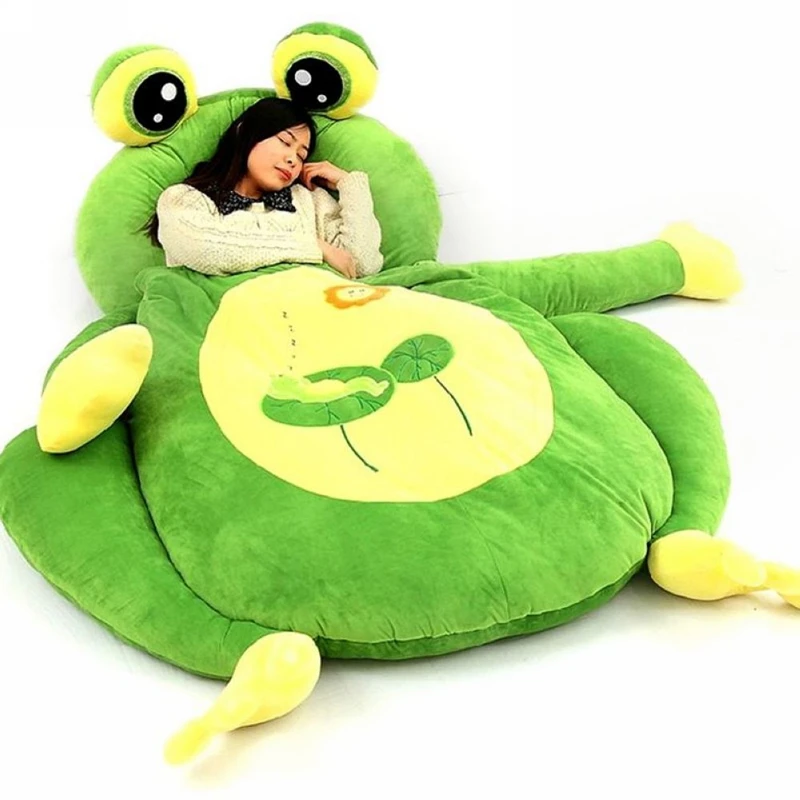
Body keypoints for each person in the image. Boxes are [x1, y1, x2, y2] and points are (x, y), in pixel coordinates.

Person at [144, 97, 383, 280]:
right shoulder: (183, 198)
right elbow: (205, 250)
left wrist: (349, 184)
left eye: (301, 155)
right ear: (244, 132)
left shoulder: (307, 200)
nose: (292, 159)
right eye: (285, 141)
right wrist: (313, 247)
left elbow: (361, 266)